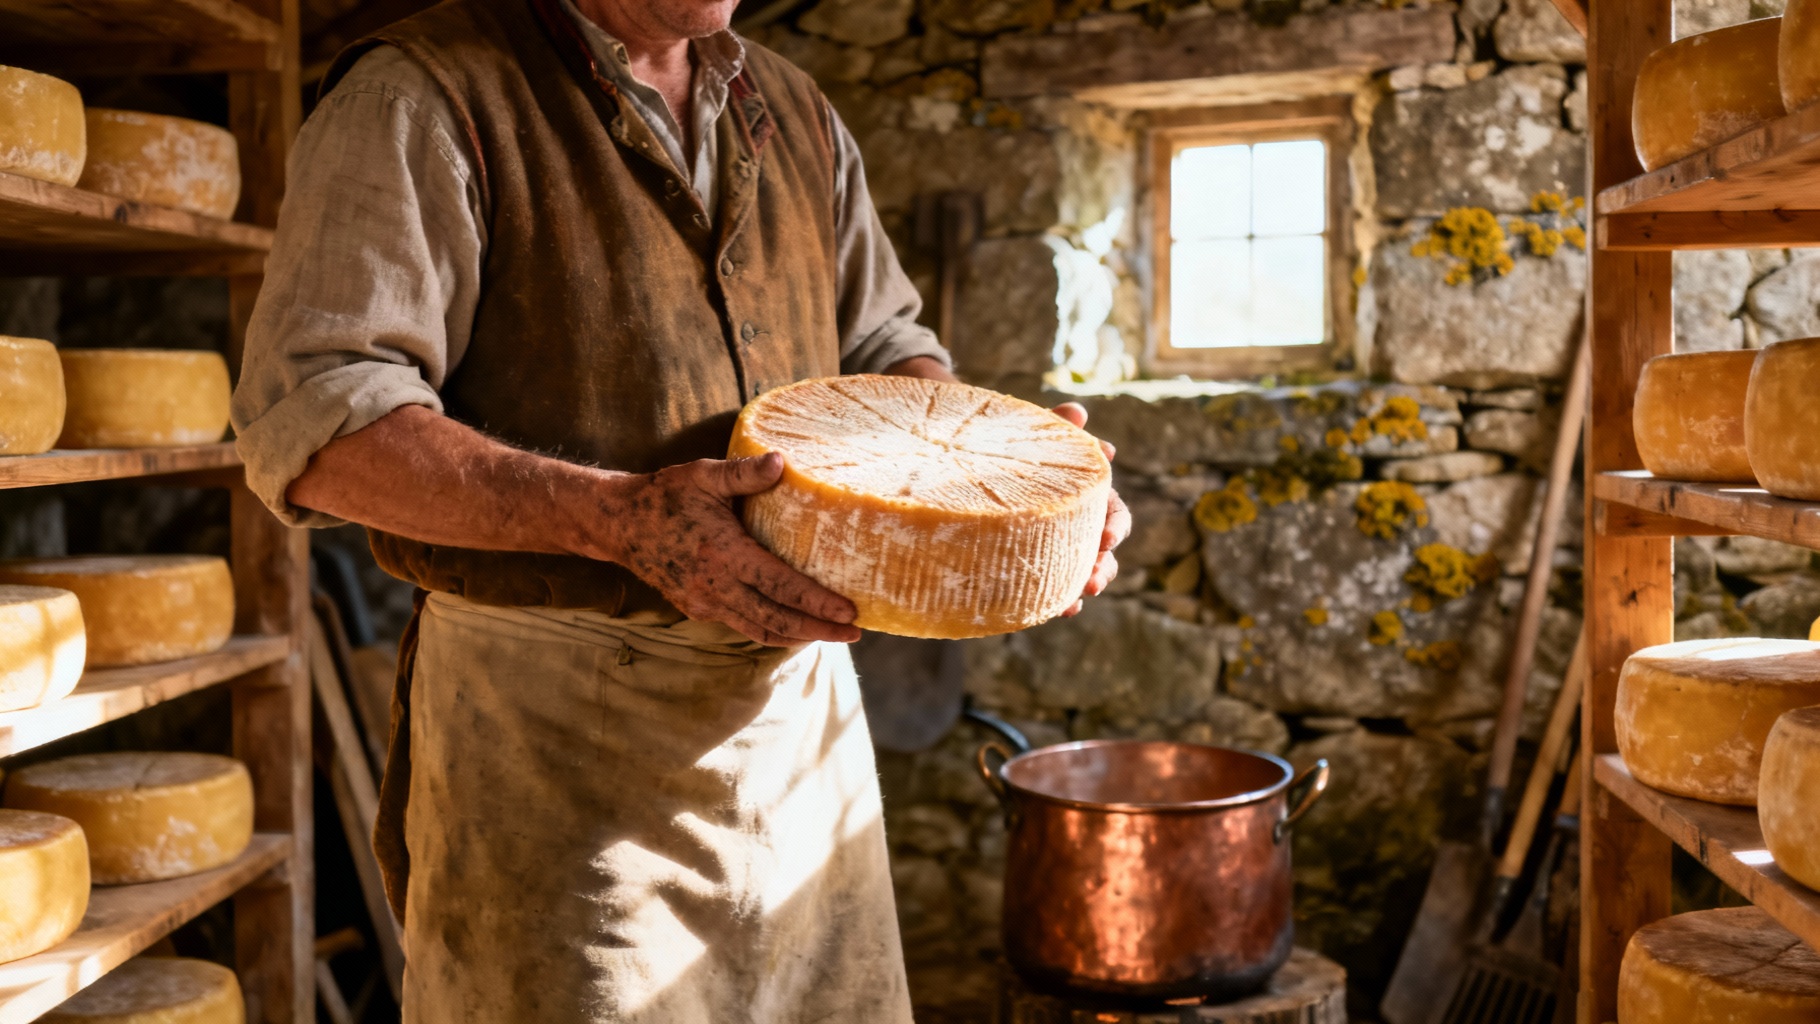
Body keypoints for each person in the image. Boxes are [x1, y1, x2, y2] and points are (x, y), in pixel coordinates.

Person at [231, 0, 1129, 1020]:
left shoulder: (791, 107)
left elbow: (884, 352)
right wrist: (615, 518)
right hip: (557, 739)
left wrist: (1005, 501)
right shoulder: (424, 89)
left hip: (799, 731)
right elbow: (317, 420)